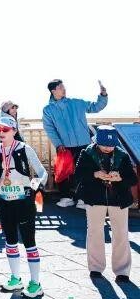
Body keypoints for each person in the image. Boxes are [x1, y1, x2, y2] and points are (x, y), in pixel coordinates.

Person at [0, 115, 47, 298]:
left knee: (29, 242)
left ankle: (35, 283)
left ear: (14, 131)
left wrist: (35, 185)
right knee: (10, 241)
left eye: (5, 129)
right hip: (5, 201)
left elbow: (42, 172)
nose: (1, 133)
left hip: (24, 200)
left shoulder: (24, 148)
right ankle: (15, 279)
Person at [75, 126, 135, 283]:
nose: (108, 148)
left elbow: (132, 179)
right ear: (97, 142)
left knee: (121, 233)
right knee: (94, 232)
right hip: (94, 198)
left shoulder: (122, 155)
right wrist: (95, 174)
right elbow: (78, 175)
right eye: (104, 145)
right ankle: (95, 268)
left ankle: (122, 271)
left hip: (119, 199)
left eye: (111, 145)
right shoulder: (87, 153)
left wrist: (120, 178)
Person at [43, 79, 108, 208]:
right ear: (53, 91)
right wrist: (58, 144)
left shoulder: (76, 102)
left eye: (63, 87)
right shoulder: (48, 110)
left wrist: (103, 95)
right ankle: (66, 198)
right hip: (64, 147)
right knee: (63, 173)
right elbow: (49, 128)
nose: (64, 89)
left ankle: (83, 199)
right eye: (60, 87)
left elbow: (95, 107)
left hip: (85, 145)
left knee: (86, 172)